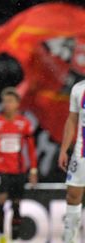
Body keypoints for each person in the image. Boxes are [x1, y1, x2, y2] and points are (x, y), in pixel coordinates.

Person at [0, 87, 38, 243]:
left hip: (18, 170)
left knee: (16, 203)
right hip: (0, 170)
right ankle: (0, 232)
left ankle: (15, 236)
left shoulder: (24, 123)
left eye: (10, 101)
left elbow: (31, 149)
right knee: (0, 199)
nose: (7, 104)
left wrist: (33, 170)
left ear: (18, 104)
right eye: (5, 101)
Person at [58, 80, 85, 243]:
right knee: (73, 195)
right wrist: (64, 149)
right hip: (82, 152)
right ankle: (70, 239)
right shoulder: (79, 88)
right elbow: (72, 119)